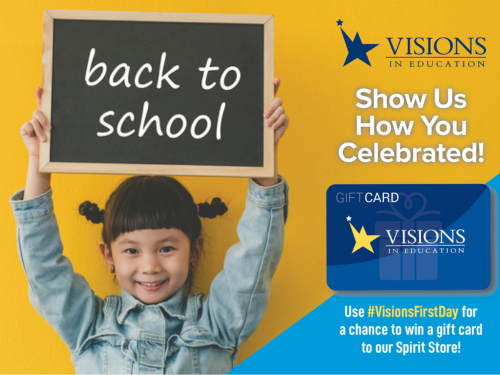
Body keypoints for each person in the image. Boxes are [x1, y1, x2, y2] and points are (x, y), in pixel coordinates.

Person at [10, 79, 289, 374]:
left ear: (194, 251)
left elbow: (256, 257)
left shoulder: (220, 322)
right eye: (131, 250)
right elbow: (44, 271)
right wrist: (38, 160)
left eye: (166, 248)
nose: (150, 265)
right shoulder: (87, 325)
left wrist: (264, 157)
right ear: (108, 256)